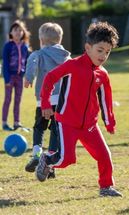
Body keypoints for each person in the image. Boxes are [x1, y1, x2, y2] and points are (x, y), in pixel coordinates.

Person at [36, 21, 122, 197]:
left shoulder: (102, 74)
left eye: (107, 52)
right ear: (88, 47)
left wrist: (109, 121)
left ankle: (106, 187)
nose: (103, 55)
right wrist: (45, 104)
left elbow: (106, 98)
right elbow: (50, 78)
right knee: (66, 159)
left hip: (90, 125)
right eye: (100, 50)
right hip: (66, 121)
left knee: (105, 156)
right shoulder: (72, 66)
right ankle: (46, 159)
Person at [24, 22, 71, 177]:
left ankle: (37, 153)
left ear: (41, 40)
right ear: (60, 39)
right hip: (62, 100)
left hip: (44, 99)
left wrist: (28, 78)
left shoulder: (39, 54)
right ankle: (49, 162)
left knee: (39, 127)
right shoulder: (66, 56)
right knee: (56, 131)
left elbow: (32, 62)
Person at [2, 20, 31, 131]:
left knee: (18, 100)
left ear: (23, 33)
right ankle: (4, 123)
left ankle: (16, 122)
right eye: (15, 30)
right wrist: (7, 78)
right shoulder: (8, 46)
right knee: (8, 99)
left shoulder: (25, 46)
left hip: (19, 77)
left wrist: (25, 75)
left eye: (20, 30)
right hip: (10, 77)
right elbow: (5, 64)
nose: (18, 32)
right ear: (11, 33)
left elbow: (27, 62)